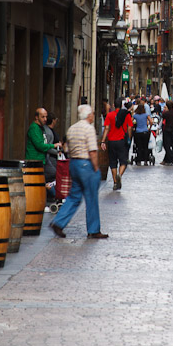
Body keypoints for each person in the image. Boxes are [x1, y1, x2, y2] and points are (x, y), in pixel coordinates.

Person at [50, 104, 108, 239]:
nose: (93, 115)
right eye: (92, 113)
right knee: (91, 197)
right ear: (88, 115)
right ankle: (93, 230)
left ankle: (58, 222)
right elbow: (93, 151)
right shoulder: (88, 129)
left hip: (74, 163)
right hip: (86, 164)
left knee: (74, 196)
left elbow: (66, 149)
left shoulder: (72, 129)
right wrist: (95, 167)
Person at [101, 97, 133, 190]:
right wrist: (129, 138)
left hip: (111, 141)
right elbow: (130, 127)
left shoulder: (110, 115)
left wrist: (103, 140)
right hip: (121, 141)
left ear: (114, 105)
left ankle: (115, 182)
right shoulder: (126, 115)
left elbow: (106, 128)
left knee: (113, 162)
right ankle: (120, 175)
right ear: (122, 105)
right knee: (123, 161)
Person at [44, 112, 60, 206]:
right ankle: (53, 195)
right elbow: (48, 147)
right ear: (53, 120)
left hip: (49, 159)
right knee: (54, 174)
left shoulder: (47, 130)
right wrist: (58, 151)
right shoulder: (48, 132)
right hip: (49, 159)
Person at [161, 100, 173, 166]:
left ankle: (171, 157)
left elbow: (163, 120)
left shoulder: (165, 114)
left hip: (166, 130)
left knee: (166, 145)